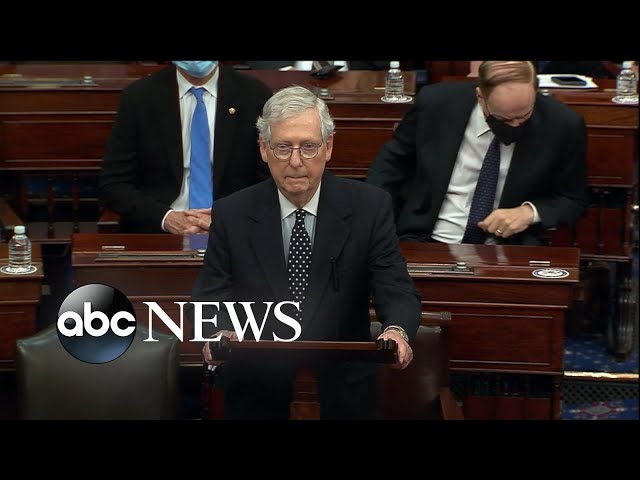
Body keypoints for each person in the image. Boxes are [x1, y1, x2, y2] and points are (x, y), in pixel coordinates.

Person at [191, 85, 421, 420]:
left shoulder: (369, 207)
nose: (296, 162)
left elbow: (395, 286)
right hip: (257, 383)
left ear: (328, 147)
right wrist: (220, 331)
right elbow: (211, 293)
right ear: (264, 149)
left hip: (345, 383)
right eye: (283, 147)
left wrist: (396, 331)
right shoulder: (233, 212)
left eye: (309, 147)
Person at [367, 60, 588, 245]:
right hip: (425, 237)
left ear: (535, 92)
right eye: (504, 118)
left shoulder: (562, 125)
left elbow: (574, 199)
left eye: (523, 115)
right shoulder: (436, 104)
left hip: (508, 248)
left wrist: (528, 213)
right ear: (480, 96)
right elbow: (391, 163)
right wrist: (374, 219)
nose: (515, 125)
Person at [98, 61, 272, 234]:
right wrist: (165, 218)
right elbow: (113, 184)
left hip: (234, 227)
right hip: (159, 229)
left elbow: (269, 181)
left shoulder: (254, 94)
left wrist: (226, 218)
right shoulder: (140, 97)